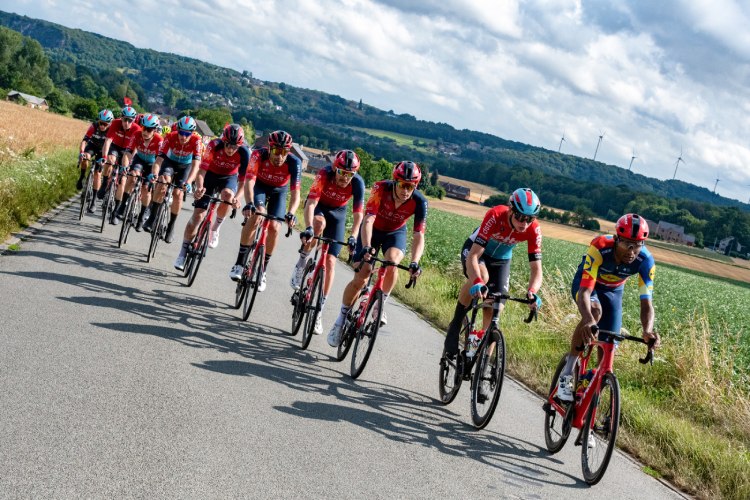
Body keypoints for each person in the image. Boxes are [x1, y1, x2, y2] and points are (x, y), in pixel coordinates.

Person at [555, 213, 660, 402]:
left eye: (637, 245)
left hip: (613, 292)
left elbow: (646, 303)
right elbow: (586, 291)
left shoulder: (646, 261)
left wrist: (647, 331)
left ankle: (589, 406)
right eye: (627, 243)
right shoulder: (600, 247)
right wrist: (588, 319)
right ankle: (567, 373)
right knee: (594, 312)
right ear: (617, 239)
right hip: (588, 284)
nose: (632, 250)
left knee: (609, 347)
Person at [326, 161, 426, 348]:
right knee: (362, 276)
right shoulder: (381, 188)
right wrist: (365, 247)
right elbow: (369, 219)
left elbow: (419, 234)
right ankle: (340, 319)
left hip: (395, 233)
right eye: (403, 185)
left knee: (393, 262)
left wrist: (415, 262)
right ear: (395, 182)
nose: (406, 190)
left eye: (411, 186)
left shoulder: (419, 201)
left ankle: (380, 305)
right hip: (372, 230)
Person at [443, 188, 543, 359]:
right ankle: (456, 322)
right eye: (520, 217)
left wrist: (533, 292)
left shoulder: (533, 229)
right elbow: (473, 255)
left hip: (501, 260)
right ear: (511, 209)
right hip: (477, 252)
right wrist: (477, 282)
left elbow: (536, 269)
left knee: (496, 306)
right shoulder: (495, 215)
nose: (524, 223)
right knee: (483, 277)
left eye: (530, 219)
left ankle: (484, 360)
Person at [290, 149, 365, 334]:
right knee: (318, 224)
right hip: (319, 207)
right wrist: (308, 226)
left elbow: (358, 216)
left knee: (331, 261)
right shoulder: (325, 174)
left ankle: (319, 311)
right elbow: (311, 203)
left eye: (349, 174)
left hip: (338, 214)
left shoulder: (358, 183)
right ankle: (302, 262)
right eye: (341, 172)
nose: (345, 177)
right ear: (335, 168)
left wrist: (354, 236)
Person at [228, 130, 302, 292]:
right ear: (269, 148)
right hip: (259, 186)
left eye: (284, 152)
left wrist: (291, 212)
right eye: (276, 151)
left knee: (275, 227)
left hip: (279, 192)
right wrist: (248, 203)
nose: (279, 156)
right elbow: (249, 182)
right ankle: (239, 263)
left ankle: (262, 270)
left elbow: (296, 193)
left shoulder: (294, 162)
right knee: (257, 214)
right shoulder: (258, 155)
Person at [173, 124, 248, 270]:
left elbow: (243, 181)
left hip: (229, 177)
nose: (231, 149)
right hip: (210, 175)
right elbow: (201, 172)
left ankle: (216, 228)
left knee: (227, 195)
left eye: (235, 147)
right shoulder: (214, 145)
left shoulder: (244, 153)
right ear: (223, 141)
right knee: (197, 217)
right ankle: (182, 253)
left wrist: (237, 198)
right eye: (228, 145)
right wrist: (200, 188)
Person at [142, 116, 203, 243]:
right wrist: (154, 174)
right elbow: (158, 160)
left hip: (185, 166)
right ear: (178, 130)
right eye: (181, 132)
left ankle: (171, 226)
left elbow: (196, 165)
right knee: (163, 181)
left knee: (178, 193)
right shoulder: (170, 136)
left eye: (187, 134)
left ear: (192, 133)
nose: (184, 136)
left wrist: (189, 182)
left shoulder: (197, 140)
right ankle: (152, 218)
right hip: (170, 162)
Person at [112, 113, 163, 228]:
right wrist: (125, 166)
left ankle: (141, 216)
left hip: (152, 164)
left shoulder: (159, 140)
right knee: (132, 175)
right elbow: (128, 153)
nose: (145, 132)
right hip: (139, 160)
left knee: (146, 189)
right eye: (144, 128)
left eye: (149, 130)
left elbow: (159, 161)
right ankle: (123, 205)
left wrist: (155, 175)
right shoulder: (136, 134)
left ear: (154, 130)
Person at [100, 106, 142, 223]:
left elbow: (135, 150)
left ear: (133, 121)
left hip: (128, 151)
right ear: (121, 118)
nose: (126, 123)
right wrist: (104, 157)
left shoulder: (137, 129)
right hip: (116, 146)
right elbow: (108, 141)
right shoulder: (115, 123)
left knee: (123, 181)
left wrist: (129, 165)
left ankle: (116, 211)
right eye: (125, 119)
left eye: (130, 120)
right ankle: (104, 183)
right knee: (110, 160)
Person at [78, 109, 113, 203]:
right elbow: (84, 141)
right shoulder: (94, 126)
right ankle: (82, 177)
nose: (102, 126)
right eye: (101, 123)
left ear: (109, 124)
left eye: (105, 124)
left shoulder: (111, 130)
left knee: (98, 173)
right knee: (86, 156)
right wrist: (81, 152)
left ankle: (93, 200)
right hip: (92, 146)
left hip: (103, 150)